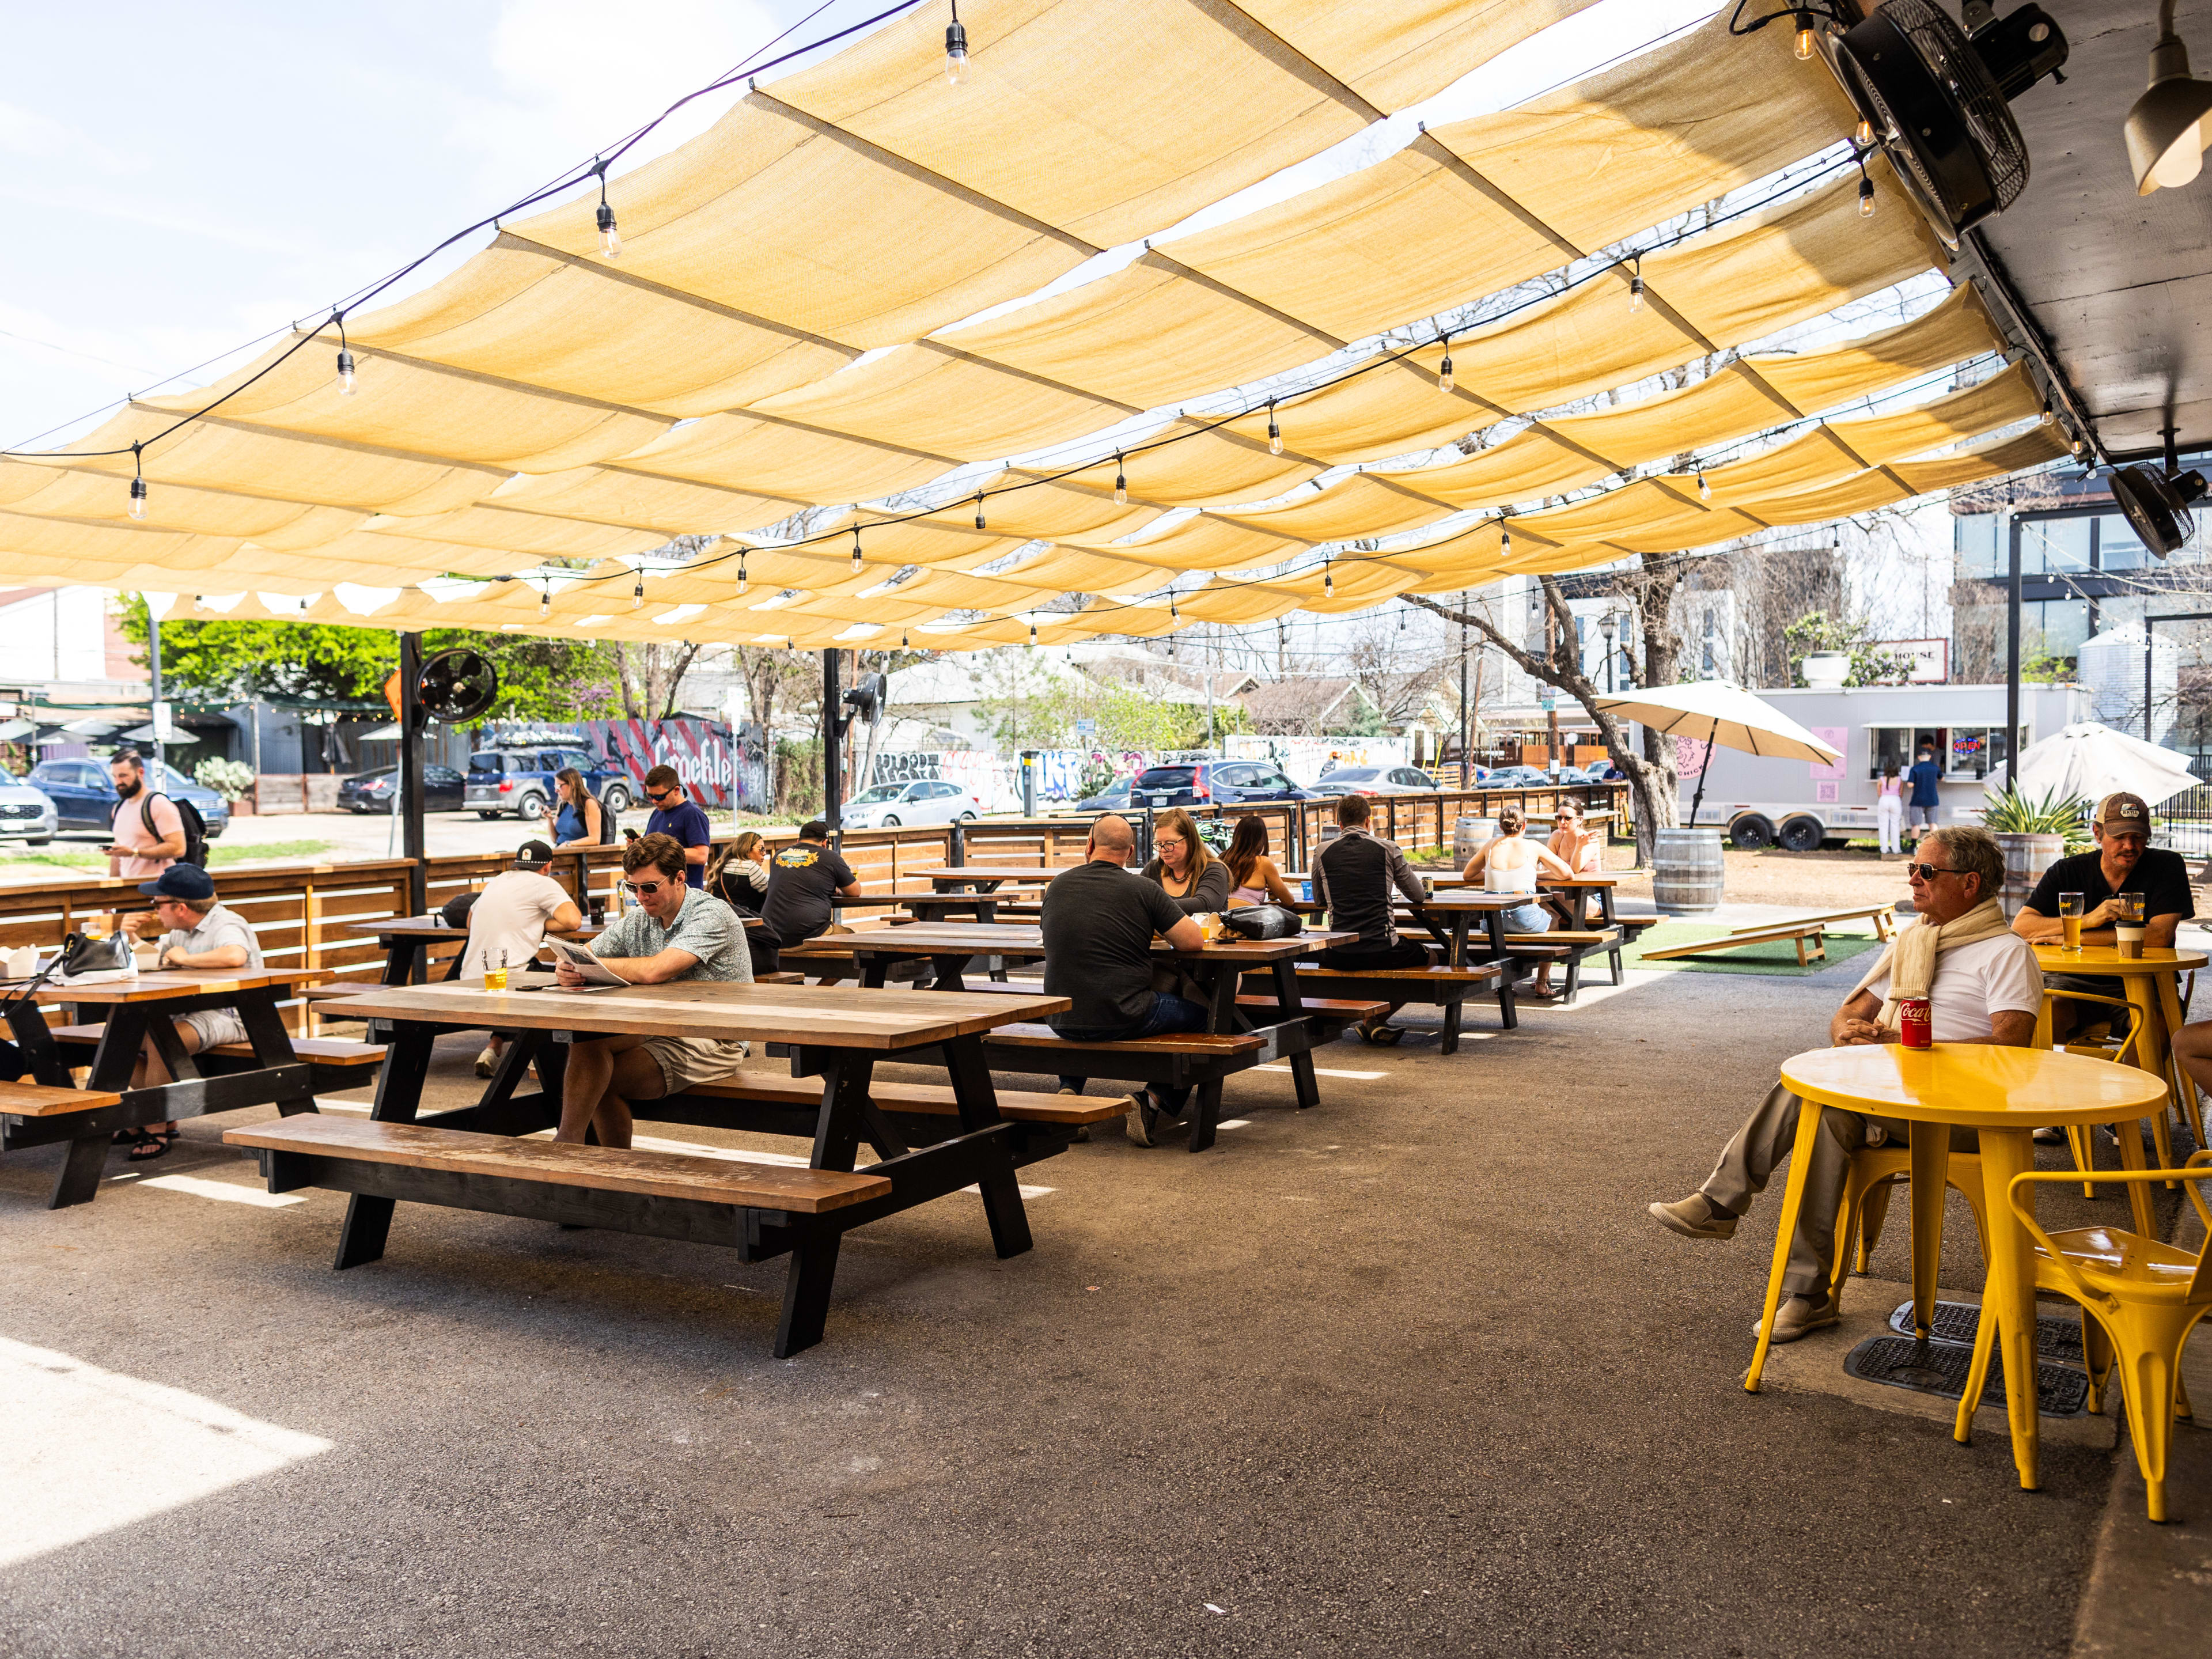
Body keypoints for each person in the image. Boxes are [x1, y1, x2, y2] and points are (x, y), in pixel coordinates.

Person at [1648, 825, 2040, 1342]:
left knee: (1813, 1096)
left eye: (1927, 871)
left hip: (1961, 1113)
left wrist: (1903, 1046)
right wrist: (1851, 1034)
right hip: (1891, 1097)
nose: (1915, 879)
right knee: (1824, 1109)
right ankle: (1808, 1295)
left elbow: (2011, 1052)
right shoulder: (1917, 941)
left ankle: (1724, 1205)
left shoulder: (2007, 952)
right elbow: (1849, 1013)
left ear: (1970, 884)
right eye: (1912, 869)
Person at [552, 832, 751, 1150]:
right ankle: (572, 1146)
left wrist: (587, 965)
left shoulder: (711, 914)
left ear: (679, 879)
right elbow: (583, 954)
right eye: (632, 888)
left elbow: (654, 970)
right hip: (657, 1025)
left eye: (649, 887)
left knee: (597, 1084)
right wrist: (567, 967)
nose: (641, 896)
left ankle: (602, 1166)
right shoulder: (639, 918)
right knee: (587, 1043)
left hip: (716, 1035)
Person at [1039, 814, 1206, 1146]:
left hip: (1059, 1017)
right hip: (1125, 1014)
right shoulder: (1143, 889)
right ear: (1130, 853)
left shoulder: (1056, 886)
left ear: (1089, 846)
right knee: (1206, 1017)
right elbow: (1193, 942)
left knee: (1084, 1001)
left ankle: (1069, 1094)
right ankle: (1152, 1100)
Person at [2013, 791, 2193, 1045]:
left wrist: (2072, 936)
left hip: (2143, 981)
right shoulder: (2068, 870)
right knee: (2046, 1013)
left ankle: (2137, 1086)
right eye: (2119, 837)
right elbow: (2021, 928)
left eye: (2138, 837)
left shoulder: (2166, 865)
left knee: (2156, 1025)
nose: (2129, 846)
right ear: (2097, 834)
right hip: (2071, 981)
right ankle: (2058, 1085)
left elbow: (2159, 936)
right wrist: (2089, 918)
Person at [115, 863, 264, 1161]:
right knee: (120, 1040)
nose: (155, 911)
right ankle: (154, 1114)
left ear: (180, 907)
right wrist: (128, 937)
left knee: (163, 1039)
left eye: (157, 904)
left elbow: (235, 955)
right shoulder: (179, 932)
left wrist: (189, 959)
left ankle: (154, 1123)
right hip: (190, 1014)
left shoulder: (227, 924)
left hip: (235, 1015)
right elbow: (158, 959)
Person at [1312, 793, 1434, 1043]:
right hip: (1383, 948)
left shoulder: (1322, 851)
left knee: (1327, 957)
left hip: (1339, 954)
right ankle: (1377, 1018)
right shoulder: (1388, 848)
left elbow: (1318, 900)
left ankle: (1372, 1019)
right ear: (1369, 821)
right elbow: (1418, 895)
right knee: (1432, 957)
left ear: (1339, 823)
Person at [461, 840, 582, 1077]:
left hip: (470, 979)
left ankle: (494, 1047)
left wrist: (529, 922)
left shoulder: (500, 879)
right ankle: (541, 1055)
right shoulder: (543, 884)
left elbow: (469, 920)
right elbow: (573, 921)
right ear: (547, 867)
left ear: (517, 864)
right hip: (509, 982)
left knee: (526, 972)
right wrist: (539, 924)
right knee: (570, 979)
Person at [1461, 803, 1574, 1001]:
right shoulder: (1533, 846)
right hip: (1525, 920)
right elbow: (1567, 874)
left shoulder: (1491, 845)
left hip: (1491, 923)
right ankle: (1542, 982)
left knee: (1501, 930)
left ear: (1501, 826)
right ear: (1524, 826)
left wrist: (1493, 873)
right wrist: (1536, 874)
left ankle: (1505, 983)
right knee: (1554, 920)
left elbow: (1468, 875)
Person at [762, 820, 861, 949]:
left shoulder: (779, 855)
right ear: (825, 843)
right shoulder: (831, 857)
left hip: (772, 935)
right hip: (809, 934)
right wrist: (839, 891)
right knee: (854, 940)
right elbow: (855, 891)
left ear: (798, 841)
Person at [707, 831, 780, 976]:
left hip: (727, 924)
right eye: (761, 849)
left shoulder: (723, 865)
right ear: (747, 849)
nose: (764, 854)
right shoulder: (750, 868)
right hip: (750, 931)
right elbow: (773, 894)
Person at [105, 750, 184, 882]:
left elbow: (178, 848)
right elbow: (118, 853)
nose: (118, 782)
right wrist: (112, 887)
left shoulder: (158, 804)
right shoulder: (119, 807)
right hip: (128, 888)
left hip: (159, 888)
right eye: (115, 776)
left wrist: (134, 853)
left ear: (141, 773)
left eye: (124, 776)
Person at [1141, 808, 1230, 914]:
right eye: (1159, 844)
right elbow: (1136, 901)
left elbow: (1205, 905)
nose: (1163, 850)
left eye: (1170, 843)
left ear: (1190, 840)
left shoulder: (1214, 870)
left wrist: (1153, 907)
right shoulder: (1153, 869)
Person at [642, 764, 711, 887]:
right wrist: (639, 845)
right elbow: (650, 848)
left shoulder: (692, 814)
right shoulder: (657, 813)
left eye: (659, 797)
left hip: (685, 894)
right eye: (650, 796)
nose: (654, 801)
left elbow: (701, 855)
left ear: (676, 790)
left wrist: (660, 853)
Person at [1545, 800, 1604, 926]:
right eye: (1559, 817)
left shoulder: (1590, 841)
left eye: (1568, 818)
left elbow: (1574, 870)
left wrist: (1579, 845)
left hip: (1591, 899)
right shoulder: (1557, 837)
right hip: (1566, 897)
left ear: (1580, 820)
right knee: (1541, 905)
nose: (1562, 822)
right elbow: (1546, 865)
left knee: (1543, 901)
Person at [1221, 815, 1297, 907]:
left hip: (1218, 918)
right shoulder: (1263, 862)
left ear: (1237, 835)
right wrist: (1276, 893)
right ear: (1261, 839)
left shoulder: (1223, 858)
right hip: (1245, 919)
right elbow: (1289, 901)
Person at [541, 768, 604, 850]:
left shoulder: (589, 804)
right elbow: (555, 839)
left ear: (573, 784)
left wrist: (568, 844)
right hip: (560, 850)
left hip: (577, 856)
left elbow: (595, 839)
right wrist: (549, 819)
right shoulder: (563, 805)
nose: (556, 791)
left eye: (559, 786)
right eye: (555, 787)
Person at [1905, 743, 1942, 846]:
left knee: (1916, 824)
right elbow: (1942, 778)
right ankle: (1936, 845)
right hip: (1932, 799)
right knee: (1933, 823)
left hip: (1918, 800)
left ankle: (1913, 846)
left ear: (1919, 757)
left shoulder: (1915, 769)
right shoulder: (1935, 768)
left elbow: (1910, 785)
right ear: (1930, 757)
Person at [1875, 762, 1905, 857]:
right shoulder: (1900, 780)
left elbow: (1879, 794)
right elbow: (1901, 794)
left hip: (1884, 800)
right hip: (1896, 800)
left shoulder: (1881, 780)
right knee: (1895, 826)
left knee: (1883, 826)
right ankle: (1896, 849)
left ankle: (1884, 849)